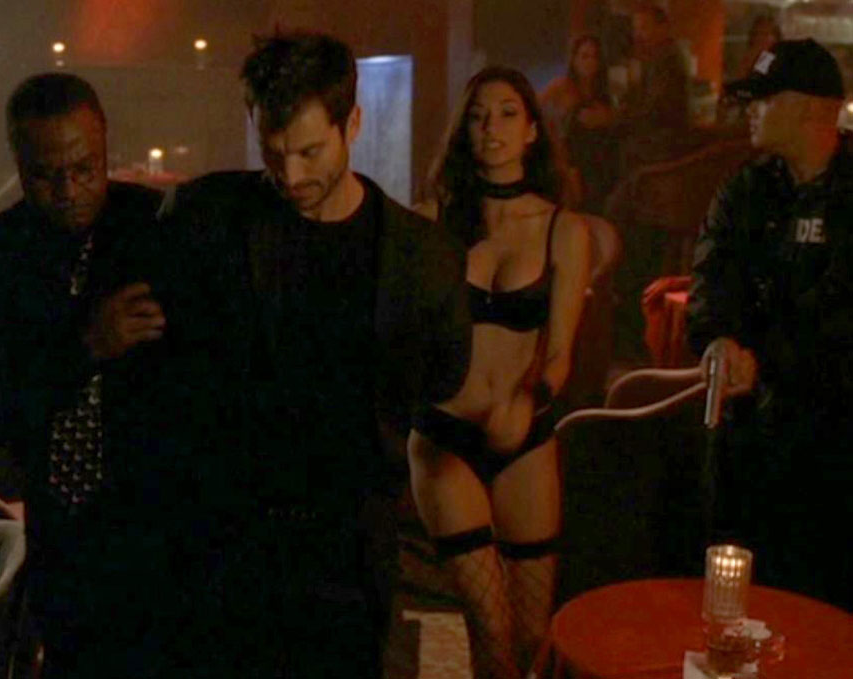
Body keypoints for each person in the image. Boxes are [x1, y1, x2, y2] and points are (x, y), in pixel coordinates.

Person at [148, 30, 471, 677]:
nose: (291, 175)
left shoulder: (420, 255)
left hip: (349, 548)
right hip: (224, 542)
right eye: (273, 152)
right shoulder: (207, 215)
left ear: (353, 123)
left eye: (309, 151)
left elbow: (445, 377)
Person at [0, 73, 172, 676]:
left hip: (164, 517)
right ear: (18, 163)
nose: (69, 190)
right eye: (46, 174)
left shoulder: (158, 231)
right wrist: (84, 347)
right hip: (60, 528)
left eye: (85, 168)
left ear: (106, 147)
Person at [409, 66, 591, 678]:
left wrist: (534, 396)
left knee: (534, 634)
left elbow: (560, 351)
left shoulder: (565, 229)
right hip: (445, 436)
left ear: (533, 130)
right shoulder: (431, 219)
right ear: (464, 130)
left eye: (509, 113)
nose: (492, 127)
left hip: (524, 435)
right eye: (479, 116)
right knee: (489, 625)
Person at [686, 38, 853, 611]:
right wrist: (718, 339)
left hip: (834, 436)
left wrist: (767, 359)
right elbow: (710, 277)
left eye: (764, 98)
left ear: (809, 108)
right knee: (737, 586)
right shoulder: (747, 188)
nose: (749, 110)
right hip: (750, 428)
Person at [540, 35, 618, 213]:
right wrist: (554, 141)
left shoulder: (603, 93)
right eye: (584, 56)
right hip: (571, 162)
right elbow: (534, 109)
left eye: (594, 57)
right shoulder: (562, 86)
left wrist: (607, 118)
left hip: (599, 165)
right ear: (574, 60)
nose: (589, 62)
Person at [620, 3, 691, 169]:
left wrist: (614, 118)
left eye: (644, 28)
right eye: (636, 29)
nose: (638, 35)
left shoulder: (668, 60)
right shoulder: (651, 58)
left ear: (663, 28)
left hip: (664, 145)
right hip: (656, 139)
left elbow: (654, 110)